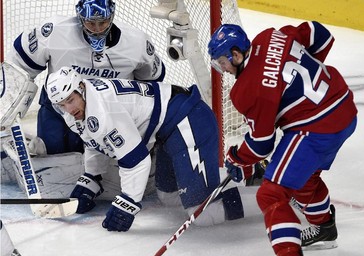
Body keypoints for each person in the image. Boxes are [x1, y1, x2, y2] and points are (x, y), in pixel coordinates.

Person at [208, 22, 357, 256]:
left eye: (223, 61)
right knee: (301, 175)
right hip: (343, 107)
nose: (222, 68)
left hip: (316, 128)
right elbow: (318, 33)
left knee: (271, 193)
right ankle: (324, 226)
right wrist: (306, 82)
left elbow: (262, 143)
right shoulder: (270, 37)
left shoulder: (245, 90)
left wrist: (237, 158)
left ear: (236, 53)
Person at [45, 66, 262, 231]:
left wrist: (128, 202)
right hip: (167, 133)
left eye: (71, 100)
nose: (69, 109)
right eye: (62, 104)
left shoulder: (104, 110)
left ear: (80, 87)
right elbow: (95, 138)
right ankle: (254, 174)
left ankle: (277, 196)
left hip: (188, 119)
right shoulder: (80, 105)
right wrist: (92, 176)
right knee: (168, 197)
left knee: (204, 213)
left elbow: (137, 160)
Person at [5, 0, 165, 155]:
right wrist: (6, 112)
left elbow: (152, 86)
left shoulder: (137, 44)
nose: (97, 30)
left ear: (112, 15)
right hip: (60, 107)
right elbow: (18, 69)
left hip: (110, 112)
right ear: (80, 16)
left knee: (106, 167)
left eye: (102, 22)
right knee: (52, 153)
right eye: (90, 23)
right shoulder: (54, 32)